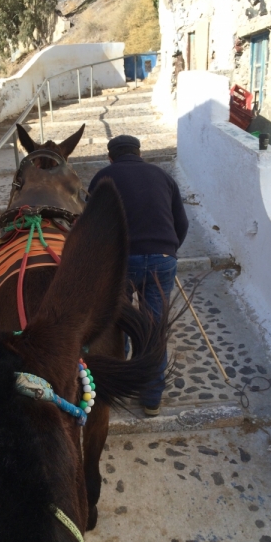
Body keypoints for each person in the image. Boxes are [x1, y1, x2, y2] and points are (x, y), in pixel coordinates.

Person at [87, 135, 188, 417]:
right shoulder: (162, 176)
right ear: (140, 153)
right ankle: (152, 398)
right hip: (163, 258)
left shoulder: (103, 177)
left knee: (118, 324)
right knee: (154, 327)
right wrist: (167, 251)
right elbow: (181, 222)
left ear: (110, 157)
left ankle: (119, 386)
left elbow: (92, 225)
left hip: (121, 261)